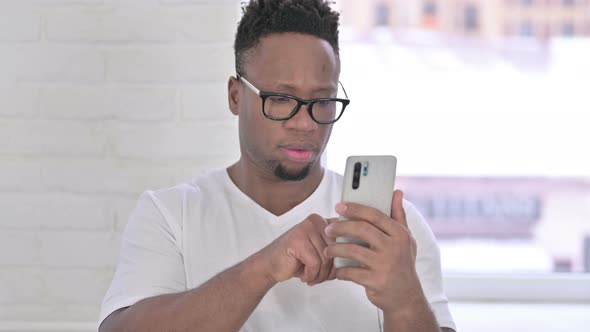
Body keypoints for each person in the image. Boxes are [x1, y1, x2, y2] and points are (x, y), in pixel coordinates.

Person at [98, 1, 456, 331]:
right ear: (236, 96)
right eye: (281, 100)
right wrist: (264, 267)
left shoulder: (391, 233)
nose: (305, 124)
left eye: (322, 101)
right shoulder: (171, 215)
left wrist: (404, 298)